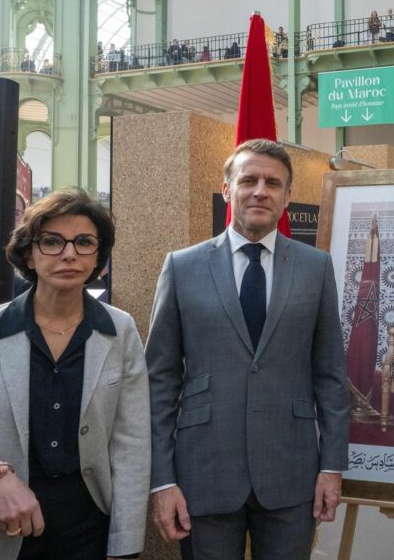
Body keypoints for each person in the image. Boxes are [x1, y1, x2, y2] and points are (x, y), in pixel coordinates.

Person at [0, 189, 150, 559]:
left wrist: (127, 543)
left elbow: (131, 444)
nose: (69, 253)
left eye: (84, 242)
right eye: (52, 241)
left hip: (89, 531)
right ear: (29, 254)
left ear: (99, 257)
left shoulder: (120, 330)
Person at [146, 139, 349, 558]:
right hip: (204, 470)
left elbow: (330, 376)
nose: (260, 191)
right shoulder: (182, 267)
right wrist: (162, 480)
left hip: (291, 473)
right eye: (249, 180)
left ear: (288, 196)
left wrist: (332, 466)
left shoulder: (315, 268)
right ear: (227, 189)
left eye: (273, 183)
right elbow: (159, 381)